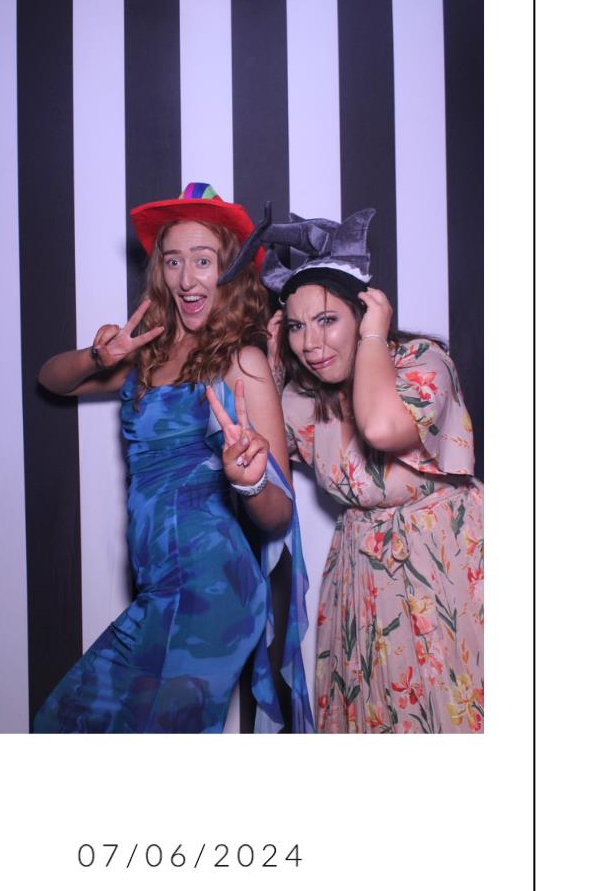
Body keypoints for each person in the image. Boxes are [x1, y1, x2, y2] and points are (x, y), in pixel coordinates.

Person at [32, 183, 311, 733]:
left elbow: (280, 514)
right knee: (60, 722)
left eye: (203, 261)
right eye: (174, 260)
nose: (186, 279)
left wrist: (251, 482)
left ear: (229, 270)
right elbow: (52, 380)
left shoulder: (242, 361)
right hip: (159, 588)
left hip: (213, 590)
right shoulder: (147, 354)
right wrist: (98, 356)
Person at [263, 209, 483, 733]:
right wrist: (269, 369)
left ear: (363, 314)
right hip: (362, 573)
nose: (309, 344)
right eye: (296, 326)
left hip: (447, 559)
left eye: (327, 320)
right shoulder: (301, 399)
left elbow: (381, 428)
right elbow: (258, 464)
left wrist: (374, 337)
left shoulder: (422, 360)